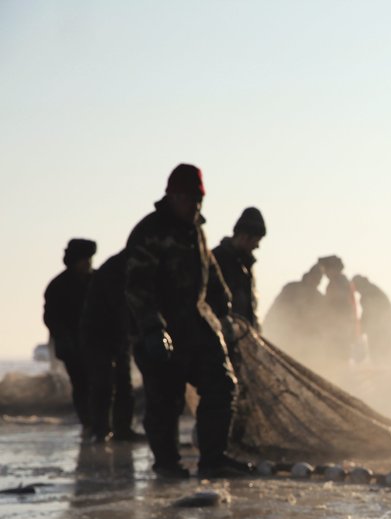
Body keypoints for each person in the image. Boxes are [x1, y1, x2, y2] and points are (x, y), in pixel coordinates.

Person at [124, 163, 249, 479]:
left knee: (222, 385)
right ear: (172, 196)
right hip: (161, 331)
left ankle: (213, 458)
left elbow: (212, 276)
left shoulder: (197, 232)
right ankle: (167, 464)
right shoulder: (149, 232)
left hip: (198, 326)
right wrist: (152, 328)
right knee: (165, 401)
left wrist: (225, 311)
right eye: (189, 198)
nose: (195, 205)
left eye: (198, 199)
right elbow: (137, 285)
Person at [80, 249, 138, 442]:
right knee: (102, 385)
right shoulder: (115, 271)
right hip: (99, 338)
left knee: (123, 386)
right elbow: (119, 306)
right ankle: (100, 430)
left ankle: (122, 429)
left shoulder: (118, 269)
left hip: (117, 337)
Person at [43, 238, 97, 431]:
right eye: (84, 259)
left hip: (97, 343)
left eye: (89, 259)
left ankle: (102, 423)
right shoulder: (58, 286)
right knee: (81, 385)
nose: (88, 263)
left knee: (102, 384)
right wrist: (65, 337)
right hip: (72, 346)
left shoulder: (97, 281)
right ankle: (89, 424)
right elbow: (51, 318)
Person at [211, 207, 266, 330]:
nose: (257, 246)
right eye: (256, 240)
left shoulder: (247, 267)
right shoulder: (216, 261)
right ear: (244, 236)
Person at [262, 263, 324, 362]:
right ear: (310, 275)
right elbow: (277, 308)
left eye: (319, 280)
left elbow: (320, 321)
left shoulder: (318, 297)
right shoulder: (291, 288)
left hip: (305, 340)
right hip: (286, 334)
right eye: (315, 278)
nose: (316, 282)